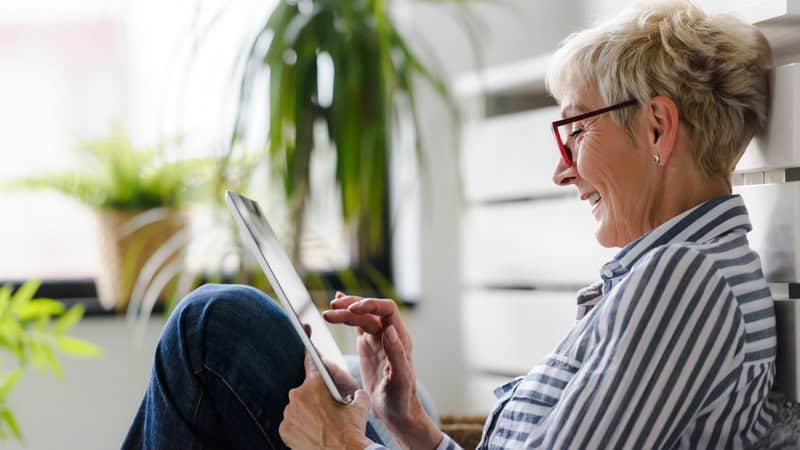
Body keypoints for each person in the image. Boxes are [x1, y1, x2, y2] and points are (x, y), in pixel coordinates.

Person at [122, 1, 778, 448]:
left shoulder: (686, 282)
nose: (561, 170)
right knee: (227, 327)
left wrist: (339, 443)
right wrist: (410, 426)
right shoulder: (674, 274)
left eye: (574, 130)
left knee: (213, 326)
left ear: (659, 127)